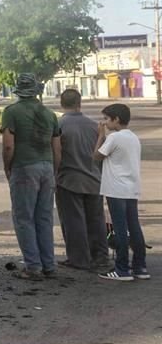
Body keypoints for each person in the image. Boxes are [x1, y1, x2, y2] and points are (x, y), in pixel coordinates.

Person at [0, 73, 61, 281]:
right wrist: (54, 170)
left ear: (17, 90)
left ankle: (33, 267)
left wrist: (7, 168)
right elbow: (57, 148)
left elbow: (9, 145)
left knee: (24, 218)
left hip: (25, 167)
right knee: (44, 218)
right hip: (47, 167)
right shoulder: (49, 114)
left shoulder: (11, 112)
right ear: (37, 90)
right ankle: (49, 265)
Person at [55, 89, 110, 271]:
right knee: (96, 220)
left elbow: (55, 153)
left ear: (61, 104)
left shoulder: (58, 125)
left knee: (73, 221)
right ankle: (100, 257)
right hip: (94, 179)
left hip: (69, 180)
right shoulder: (94, 126)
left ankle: (79, 259)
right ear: (80, 103)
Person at [95, 103, 149, 281]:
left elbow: (96, 157)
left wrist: (101, 136)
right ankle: (140, 267)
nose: (105, 123)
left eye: (106, 119)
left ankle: (122, 269)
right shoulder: (133, 137)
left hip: (116, 189)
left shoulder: (114, 138)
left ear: (116, 119)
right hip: (131, 188)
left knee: (119, 228)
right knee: (134, 228)